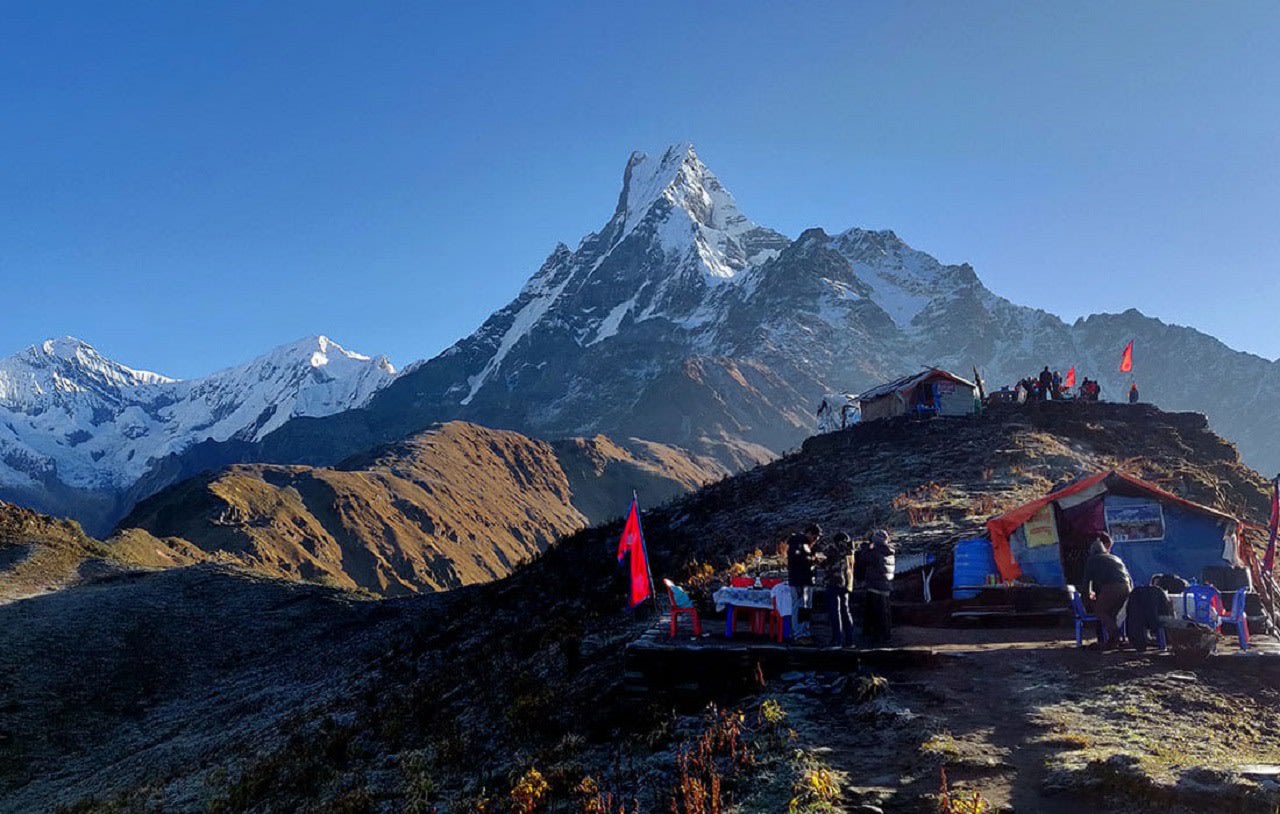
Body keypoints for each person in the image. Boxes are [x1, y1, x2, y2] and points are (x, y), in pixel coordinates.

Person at [1084, 533, 1132, 649]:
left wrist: (1086, 597)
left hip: (1112, 587)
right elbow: (1129, 578)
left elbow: (1086, 582)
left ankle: (1113, 639)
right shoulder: (1115, 558)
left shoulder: (1092, 560)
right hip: (1126, 587)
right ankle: (1117, 637)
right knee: (1112, 614)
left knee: (1100, 611)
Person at [822, 532, 856, 647]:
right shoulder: (850, 551)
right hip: (847, 584)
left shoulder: (836, 549)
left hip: (834, 582)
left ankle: (837, 639)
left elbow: (825, 554)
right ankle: (850, 640)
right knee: (846, 611)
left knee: (835, 612)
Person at [862, 529, 896, 644]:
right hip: (885, 585)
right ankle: (886, 635)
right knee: (885, 613)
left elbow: (864, 558)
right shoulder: (889, 551)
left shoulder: (876, 552)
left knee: (877, 614)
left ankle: (878, 637)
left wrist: (865, 545)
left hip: (875, 585)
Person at [1126, 578, 1174, 653]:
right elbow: (1168, 611)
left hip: (1137, 619)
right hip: (1156, 617)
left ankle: (1144, 641)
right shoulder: (1159, 592)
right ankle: (1165, 641)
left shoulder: (1138, 592)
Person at [787, 527, 818, 639]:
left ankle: (804, 631)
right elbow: (797, 559)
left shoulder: (806, 545)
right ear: (809, 533)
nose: (816, 539)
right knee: (799, 607)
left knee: (805, 607)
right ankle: (798, 633)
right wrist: (812, 559)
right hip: (799, 581)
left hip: (806, 580)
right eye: (814, 536)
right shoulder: (798, 543)